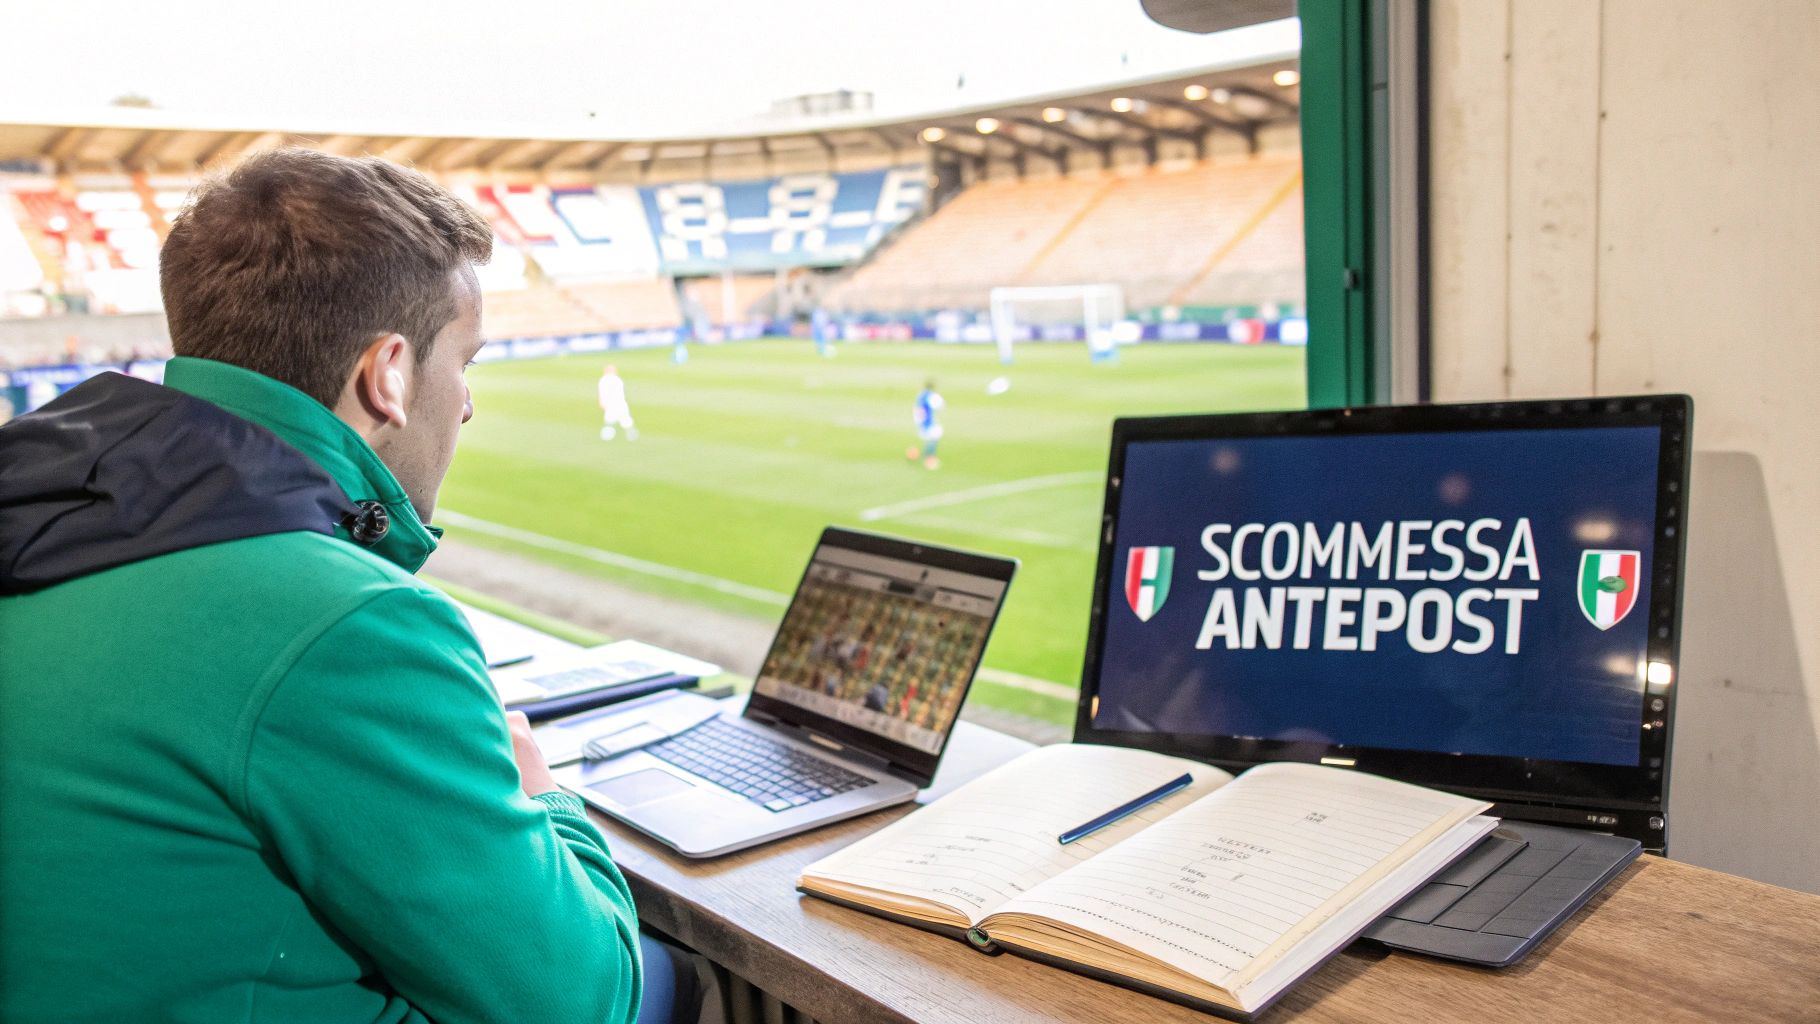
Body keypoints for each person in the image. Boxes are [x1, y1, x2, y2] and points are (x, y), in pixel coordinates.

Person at [0, 149, 694, 1024]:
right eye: (465, 363)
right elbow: (581, 999)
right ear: (388, 375)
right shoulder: (347, 625)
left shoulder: (51, 518)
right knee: (668, 981)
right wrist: (545, 797)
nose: (469, 404)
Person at [907, 378, 944, 469]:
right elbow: (940, 405)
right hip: (929, 422)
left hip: (921, 421)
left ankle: (920, 455)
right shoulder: (932, 396)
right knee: (934, 437)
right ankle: (929, 459)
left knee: (931, 439)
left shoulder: (921, 395)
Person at [598, 363, 638, 440]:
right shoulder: (616, 379)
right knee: (624, 419)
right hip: (619, 403)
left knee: (611, 419)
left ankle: (608, 435)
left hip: (613, 403)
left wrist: (602, 402)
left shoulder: (604, 380)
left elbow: (602, 393)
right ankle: (631, 435)